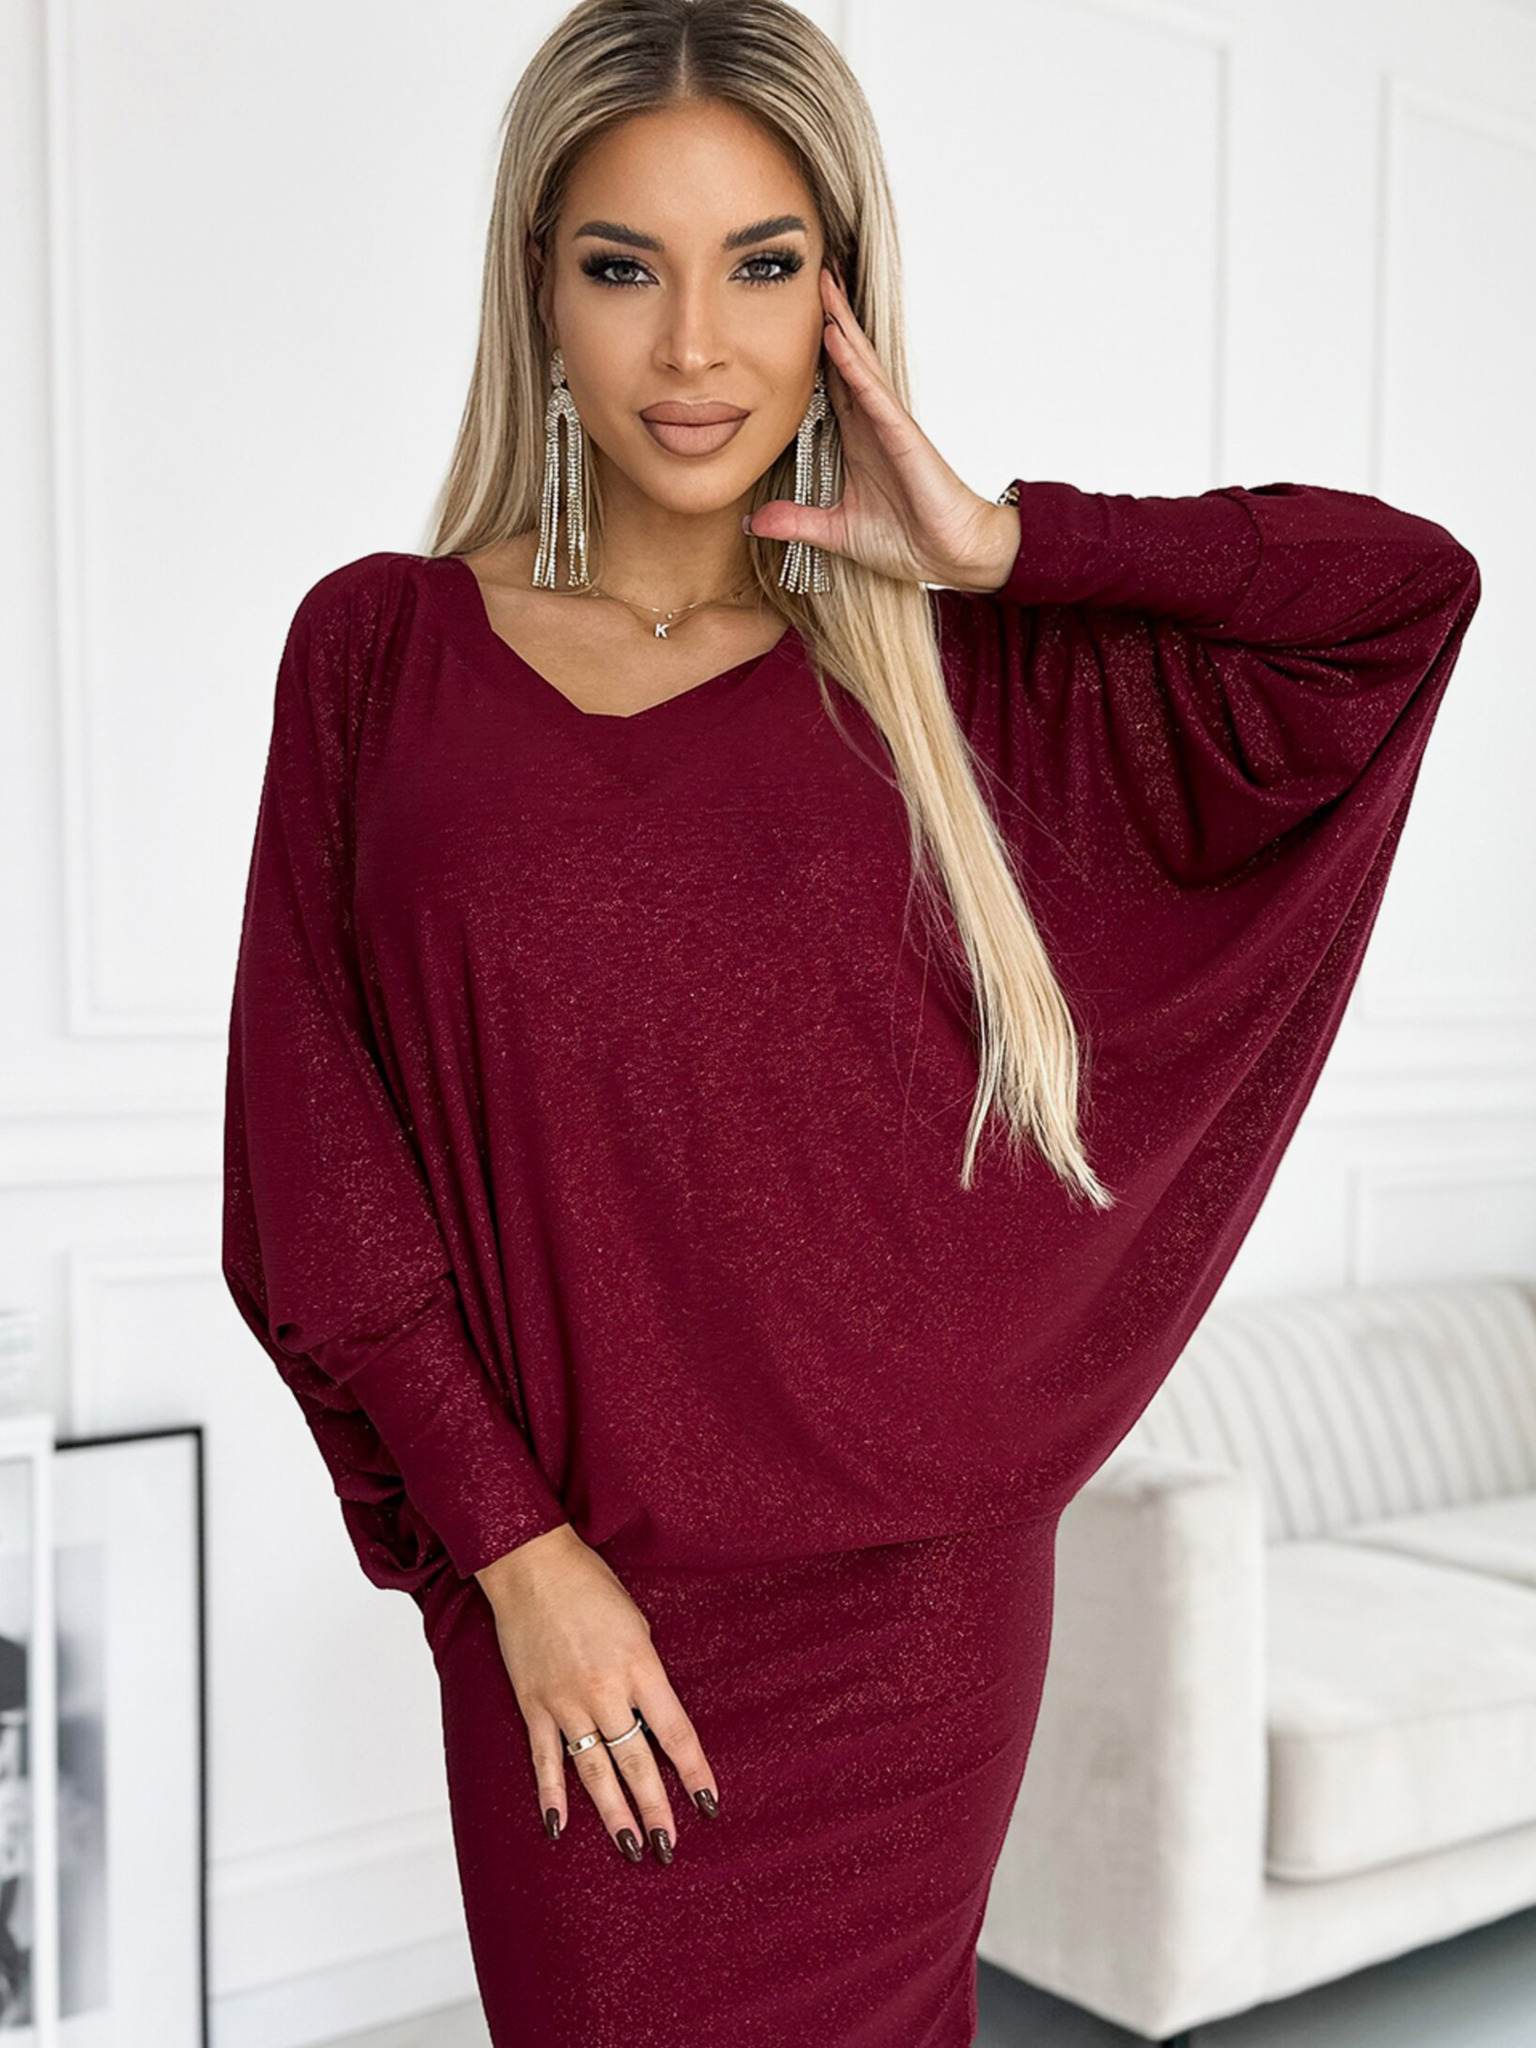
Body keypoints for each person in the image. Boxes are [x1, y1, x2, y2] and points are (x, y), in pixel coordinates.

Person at [219, 2, 1482, 2041]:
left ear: (844, 293)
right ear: (538, 285)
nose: (693, 347)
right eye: (623, 265)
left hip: (917, 1624)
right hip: (568, 1600)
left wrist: (1004, 542)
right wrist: (515, 1555)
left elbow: (1399, 597)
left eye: (763, 264)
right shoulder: (381, 652)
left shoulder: (963, 685)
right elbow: (317, 1168)